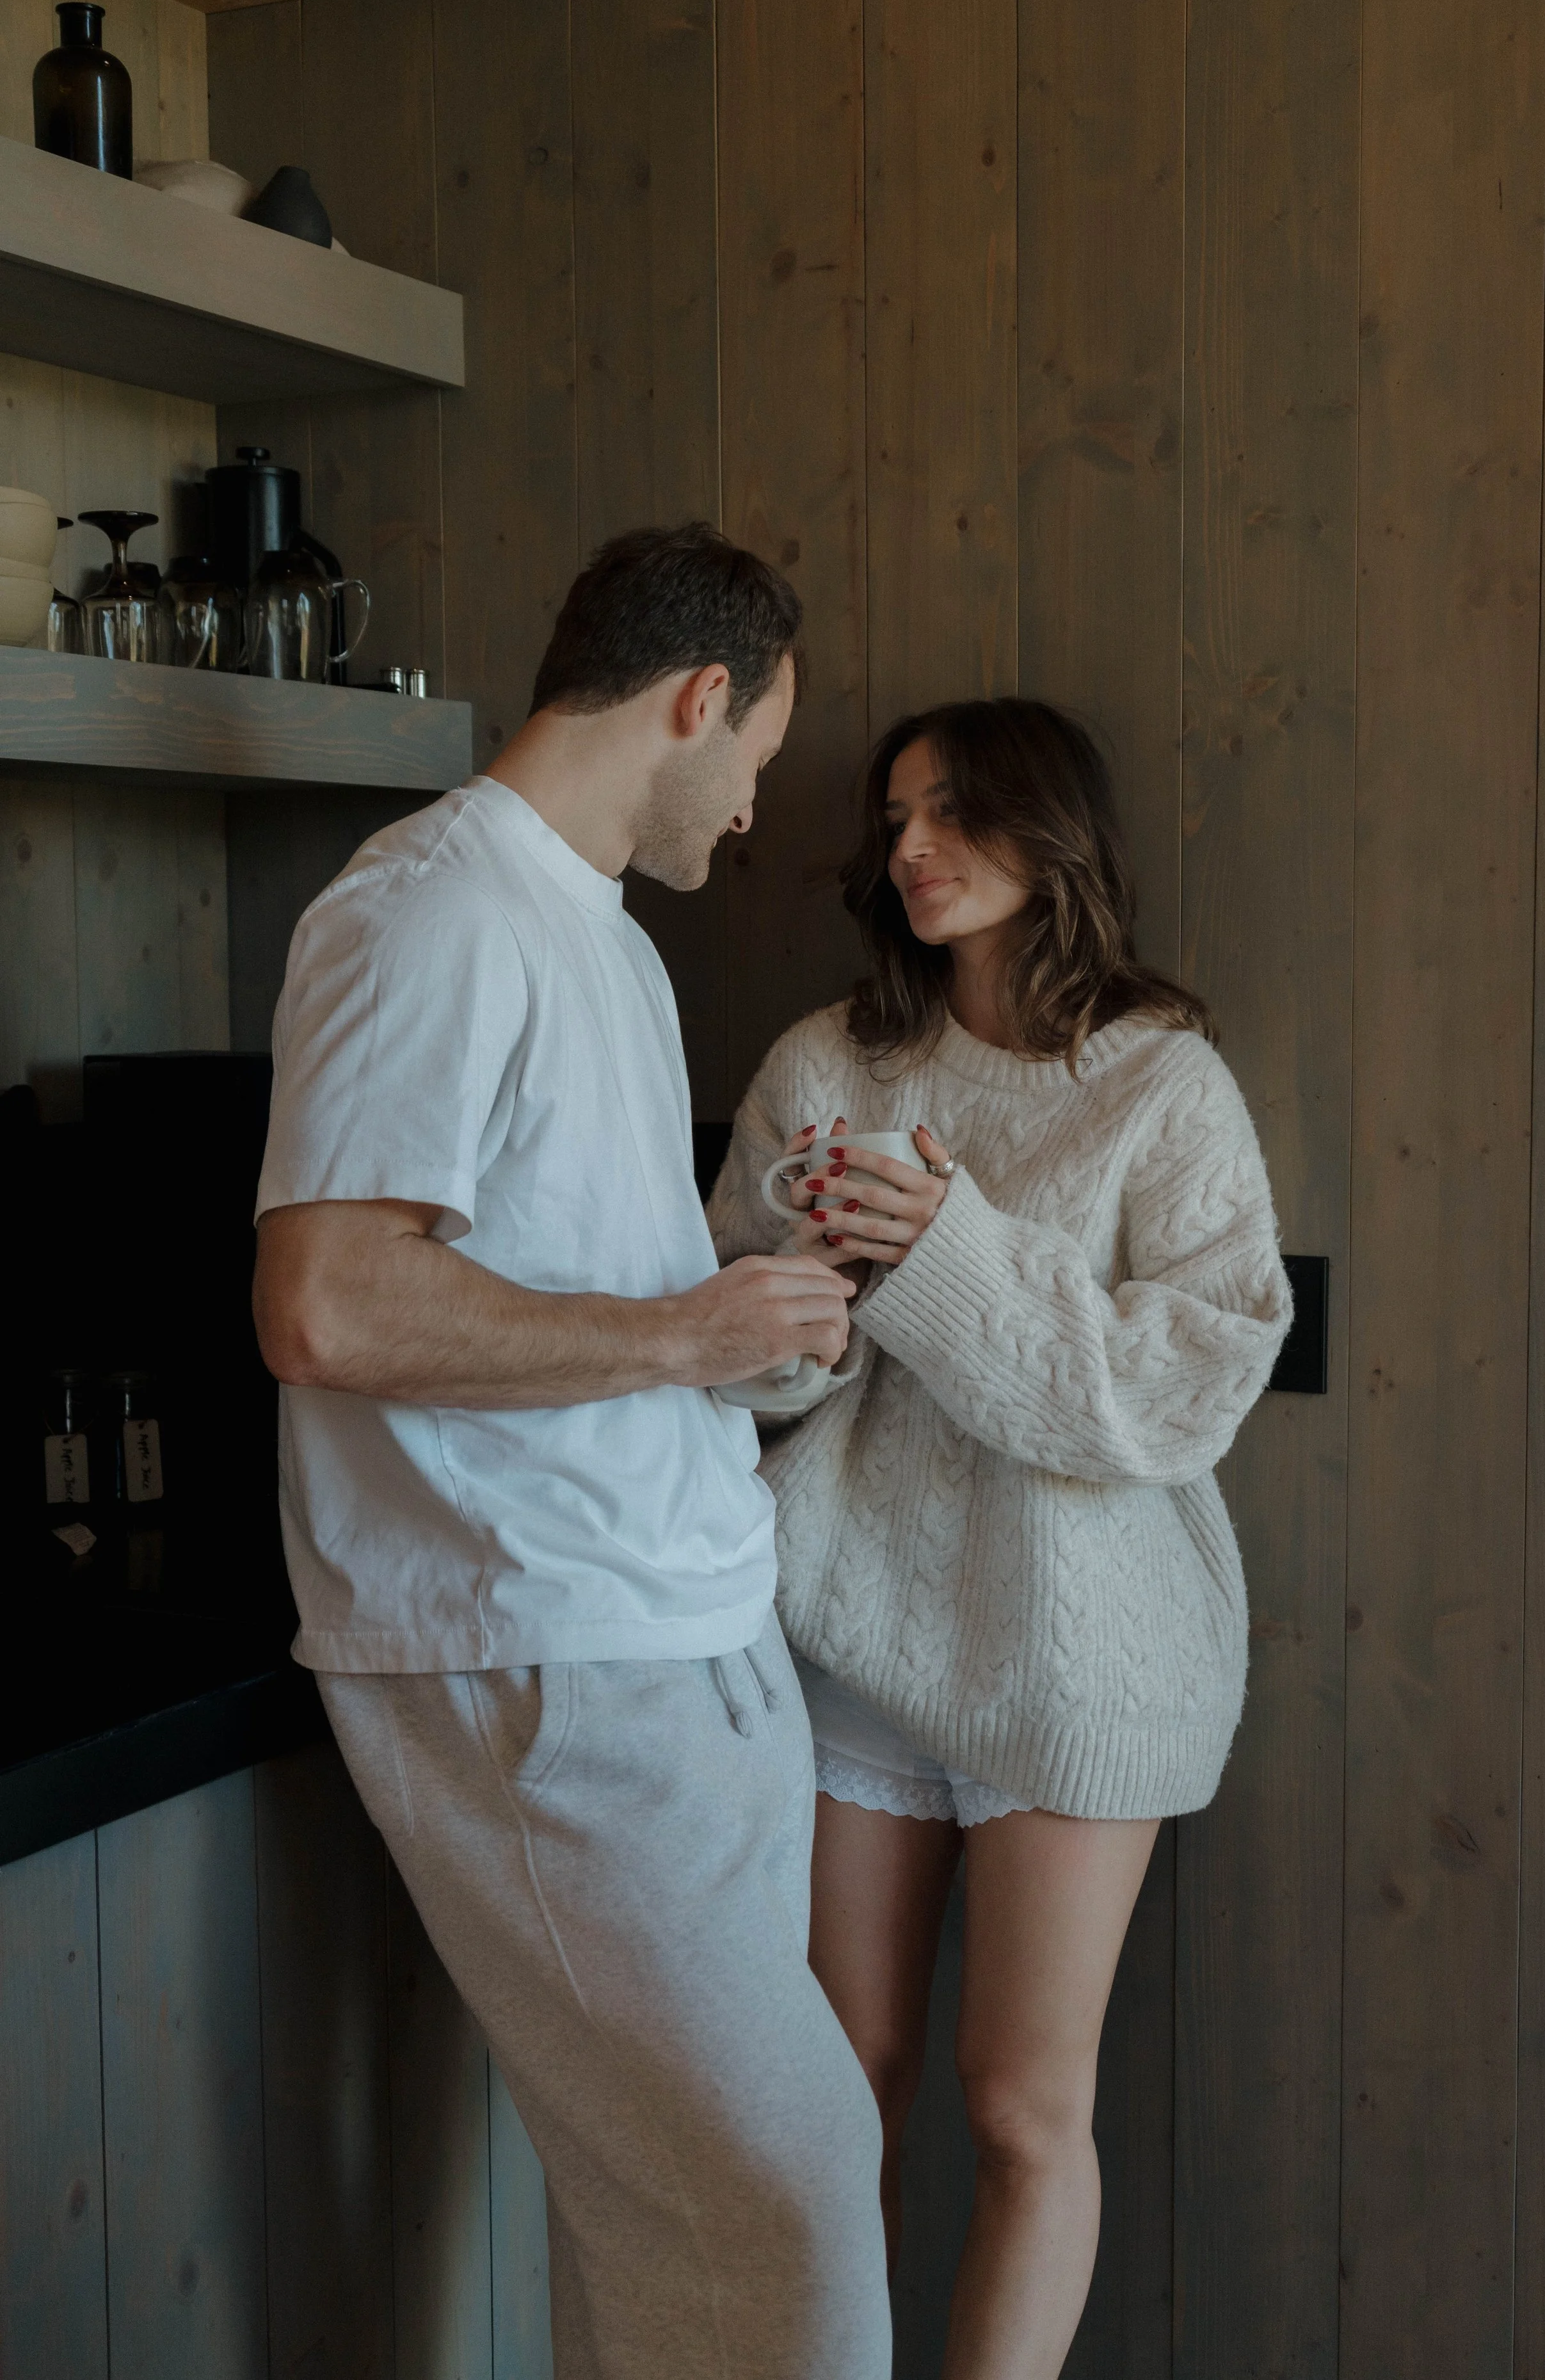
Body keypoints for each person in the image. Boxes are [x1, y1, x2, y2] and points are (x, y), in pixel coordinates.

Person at [251, 524, 892, 2380]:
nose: (755, 809)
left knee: (679, 2237)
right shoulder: (429, 911)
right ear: (696, 698)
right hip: (541, 1653)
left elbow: (537, 1277)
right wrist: (682, 1331)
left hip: (678, 1643)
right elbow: (328, 1302)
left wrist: (739, 1269)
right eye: (757, 759)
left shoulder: (593, 935)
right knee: (783, 2199)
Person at [706, 697, 1292, 2377]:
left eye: (953, 812)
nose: (910, 849)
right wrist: (813, 1300)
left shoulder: (1163, 1080)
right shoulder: (825, 1065)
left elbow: (1176, 1394)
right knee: (831, 2089)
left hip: (1077, 1659)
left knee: (1024, 2108)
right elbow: (732, 1380)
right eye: (895, 817)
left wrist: (952, 1247)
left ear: (1054, 837)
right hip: (853, 1636)